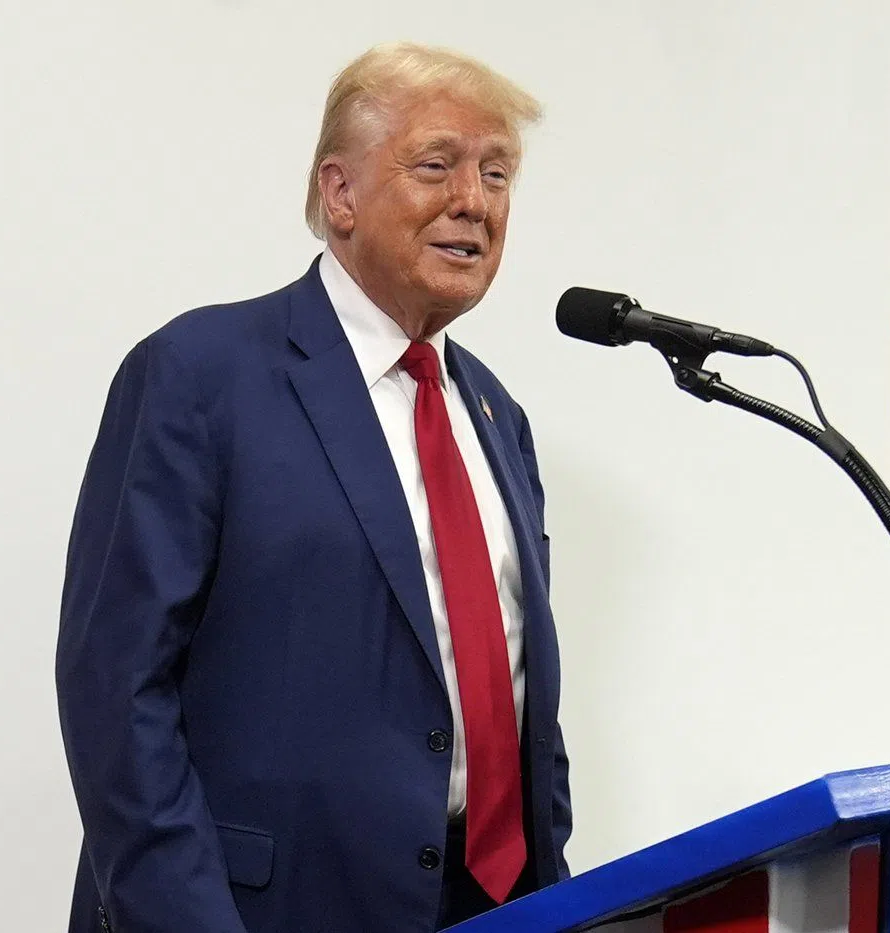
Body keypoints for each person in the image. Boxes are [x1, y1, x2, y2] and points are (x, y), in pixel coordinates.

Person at [54, 42, 571, 933]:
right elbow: (114, 690)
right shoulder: (199, 375)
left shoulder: (494, 414)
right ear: (340, 195)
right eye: (437, 165)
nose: (474, 202)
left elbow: (517, 699)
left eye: (497, 174)